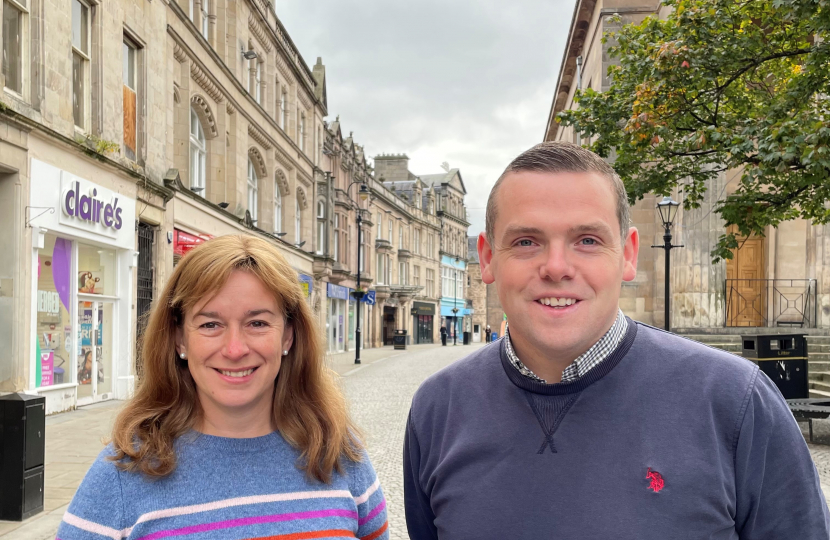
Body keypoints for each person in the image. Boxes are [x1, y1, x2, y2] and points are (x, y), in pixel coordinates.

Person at [403, 142, 829, 539]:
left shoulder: (734, 402)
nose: (556, 267)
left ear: (627, 254)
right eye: (526, 241)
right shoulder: (438, 410)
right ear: (487, 257)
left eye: (587, 240)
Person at [58, 235, 389, 540]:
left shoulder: (338, 452)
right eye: (210, 324)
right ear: (179, 339)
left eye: (257, 323)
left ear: (287, 335)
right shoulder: (124, 471)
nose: (234, 349)